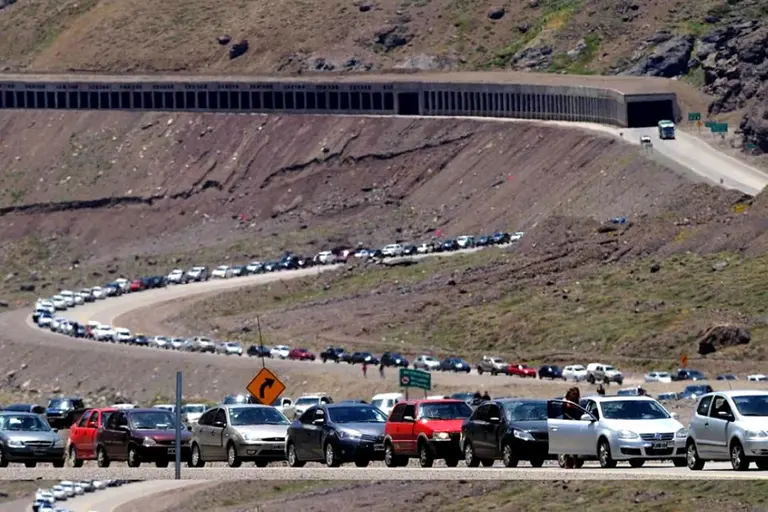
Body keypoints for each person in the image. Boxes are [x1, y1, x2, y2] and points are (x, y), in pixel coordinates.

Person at [562, 387, 582, 469]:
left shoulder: (576, 401)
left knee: (576, 444)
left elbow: (578, 411)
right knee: (568, 444)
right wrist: (571, 418)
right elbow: (564, 412)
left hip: (576, 423)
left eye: (576, 394)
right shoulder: (565, 401)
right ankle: (568, 463)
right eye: (573, 394)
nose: (574, 395)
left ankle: (576, 462)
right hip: (567, 423)